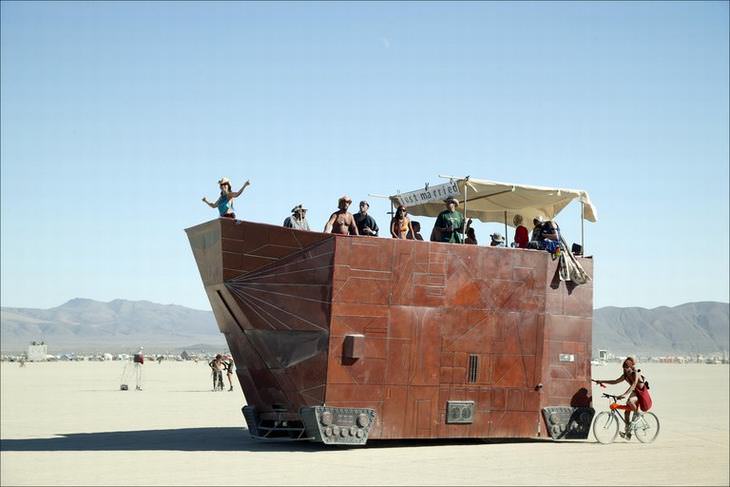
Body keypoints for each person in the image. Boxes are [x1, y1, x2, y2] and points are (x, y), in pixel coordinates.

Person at [595, 356, 653, 440]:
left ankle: (637, 414)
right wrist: (601, 381)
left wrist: (625, 395)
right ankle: (628, 433)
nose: (625, 370)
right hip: (634, 392)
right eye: (624, 368)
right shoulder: (625, 375)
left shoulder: (636, 373)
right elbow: (615, 381)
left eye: (626, 368)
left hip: (641, 393)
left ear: (630, 367)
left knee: (629, 401)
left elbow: (634, 385)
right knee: (626, 412)